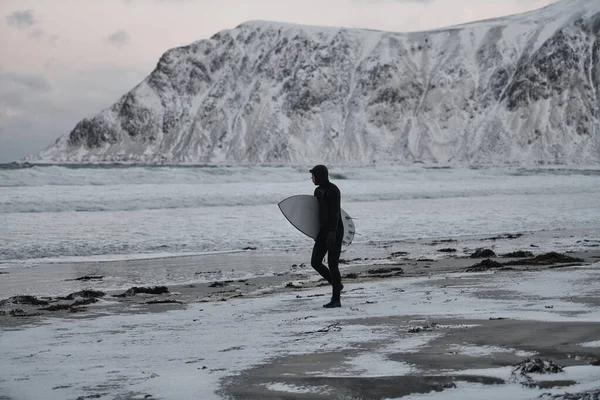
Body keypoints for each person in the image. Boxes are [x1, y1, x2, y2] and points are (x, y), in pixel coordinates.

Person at [309, 165, 344, 308]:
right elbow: (317, 214)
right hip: (323, 231)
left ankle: (336, 300)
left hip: (335, 230)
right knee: (315, 262)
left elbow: (335, 214)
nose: (312, 178)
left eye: (313, 175)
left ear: (320, 175)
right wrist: (315, 232)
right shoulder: (317, 191)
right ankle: (337, 284)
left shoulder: (333, 190)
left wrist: (332, 234)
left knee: (333, 264)